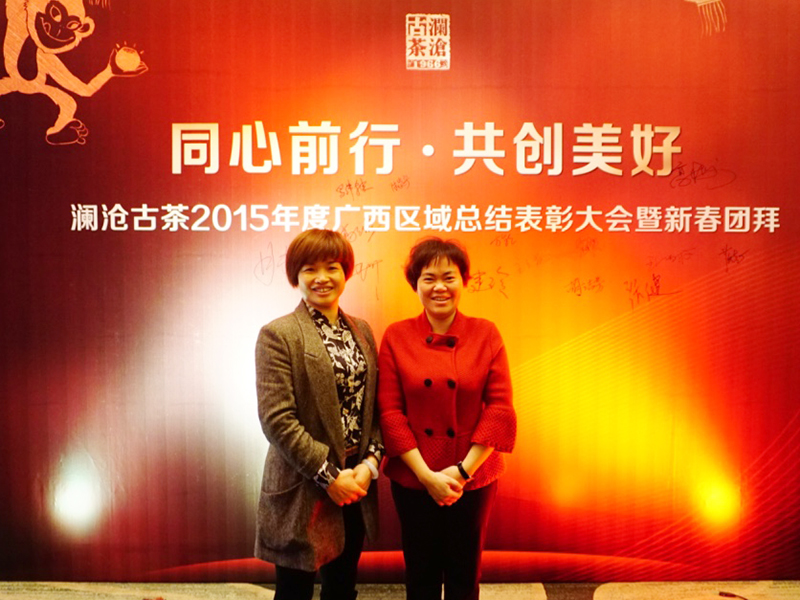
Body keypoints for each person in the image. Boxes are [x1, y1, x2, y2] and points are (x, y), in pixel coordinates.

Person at [378, 237, 516, 600]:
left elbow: (499, 409)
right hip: (414, 476)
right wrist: (426, 477)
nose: (439, 287)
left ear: (464, 281)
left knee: (464, 576)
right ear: (415, 284)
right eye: (429, 278)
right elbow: (390, 413)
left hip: (473, 476)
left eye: (449, 277)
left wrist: (462, 473)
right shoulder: (396, 336)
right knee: (420, 576)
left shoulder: (486, 333)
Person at [255, 229, 383, 600]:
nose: (322, 277)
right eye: (310, 269)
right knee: (294, 591)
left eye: (332, 267)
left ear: (346, 272)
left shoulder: (362, 330)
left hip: (356, 482)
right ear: (295, 275)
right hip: (303, 482)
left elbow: (374, 407)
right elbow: (278, 420)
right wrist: (329, 476)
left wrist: (369, 465)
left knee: (341, 587)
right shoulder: (278, 334)